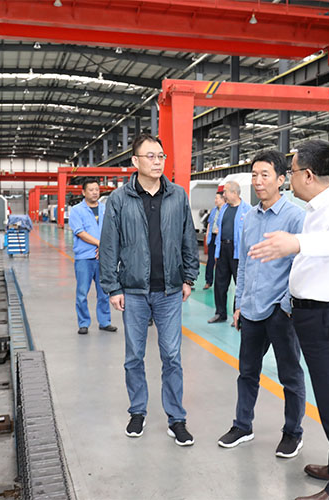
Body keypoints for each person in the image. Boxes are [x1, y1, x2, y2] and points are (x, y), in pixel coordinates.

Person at [248, 140, 329, 500]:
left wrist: (296, 244)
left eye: (291, 171)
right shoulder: (320, 207)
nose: (289, 178)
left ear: (308, 174)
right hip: (318, 317)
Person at [99, 133, 199, 446]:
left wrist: (188, 278)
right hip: (133, 291)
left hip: (170, 291)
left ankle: (176, 418)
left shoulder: (178, 195)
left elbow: (188, 238)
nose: (157, 162)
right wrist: (112, 287)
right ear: (135, 161)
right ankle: (137, 411)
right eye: (150, 156)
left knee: (172, 356)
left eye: (161, 156)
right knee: (134, 356)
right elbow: (109, 246)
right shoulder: (119, 199)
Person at [216, 150, 307, 459]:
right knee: (247, 373)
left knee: (290, 376)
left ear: (281, 179)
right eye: (254, 175)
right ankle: (243, 426)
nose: (257, 181)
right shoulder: (249, 218)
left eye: (264, 175)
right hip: (252, 310)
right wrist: (239, 302)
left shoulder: (295, 217)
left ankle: (293, 433)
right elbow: (244, 263)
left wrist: (286, 307)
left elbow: (300, 266)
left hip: (280, 312)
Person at [69, 178, 117, 335]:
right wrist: (99, 244)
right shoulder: (76, 210)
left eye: (97, 189)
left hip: (103, 257)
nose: (95, 192)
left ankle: (105, 322)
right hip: (84, 258)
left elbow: (112, 230)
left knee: (104, 292)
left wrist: (105, 248)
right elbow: (80, 232)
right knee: (82, 293)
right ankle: (83, 323)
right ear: (83, 192)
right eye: (91, 190)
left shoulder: (106, 209)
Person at [209, 181, 251, 324]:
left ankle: (237, 315)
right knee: (220, 283)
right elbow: (219, 229)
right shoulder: (224, 209)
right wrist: (217, 252)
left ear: (234, 193)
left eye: (225, 191)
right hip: (223, 248)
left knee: (239, 284)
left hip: (237, 251)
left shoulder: (247, 210)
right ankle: (220, 313)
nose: (223, 195)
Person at [203, 191, 225, 290]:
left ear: (223, 199)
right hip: (213, 237)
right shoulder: (213, 210)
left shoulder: (226, 210)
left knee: (221, 261)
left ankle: (220, 283)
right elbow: (209, 223)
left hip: (222, 238)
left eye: (217, 198)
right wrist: (207, 235)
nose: (215, 200)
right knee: (210, 260)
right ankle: (208, 281)